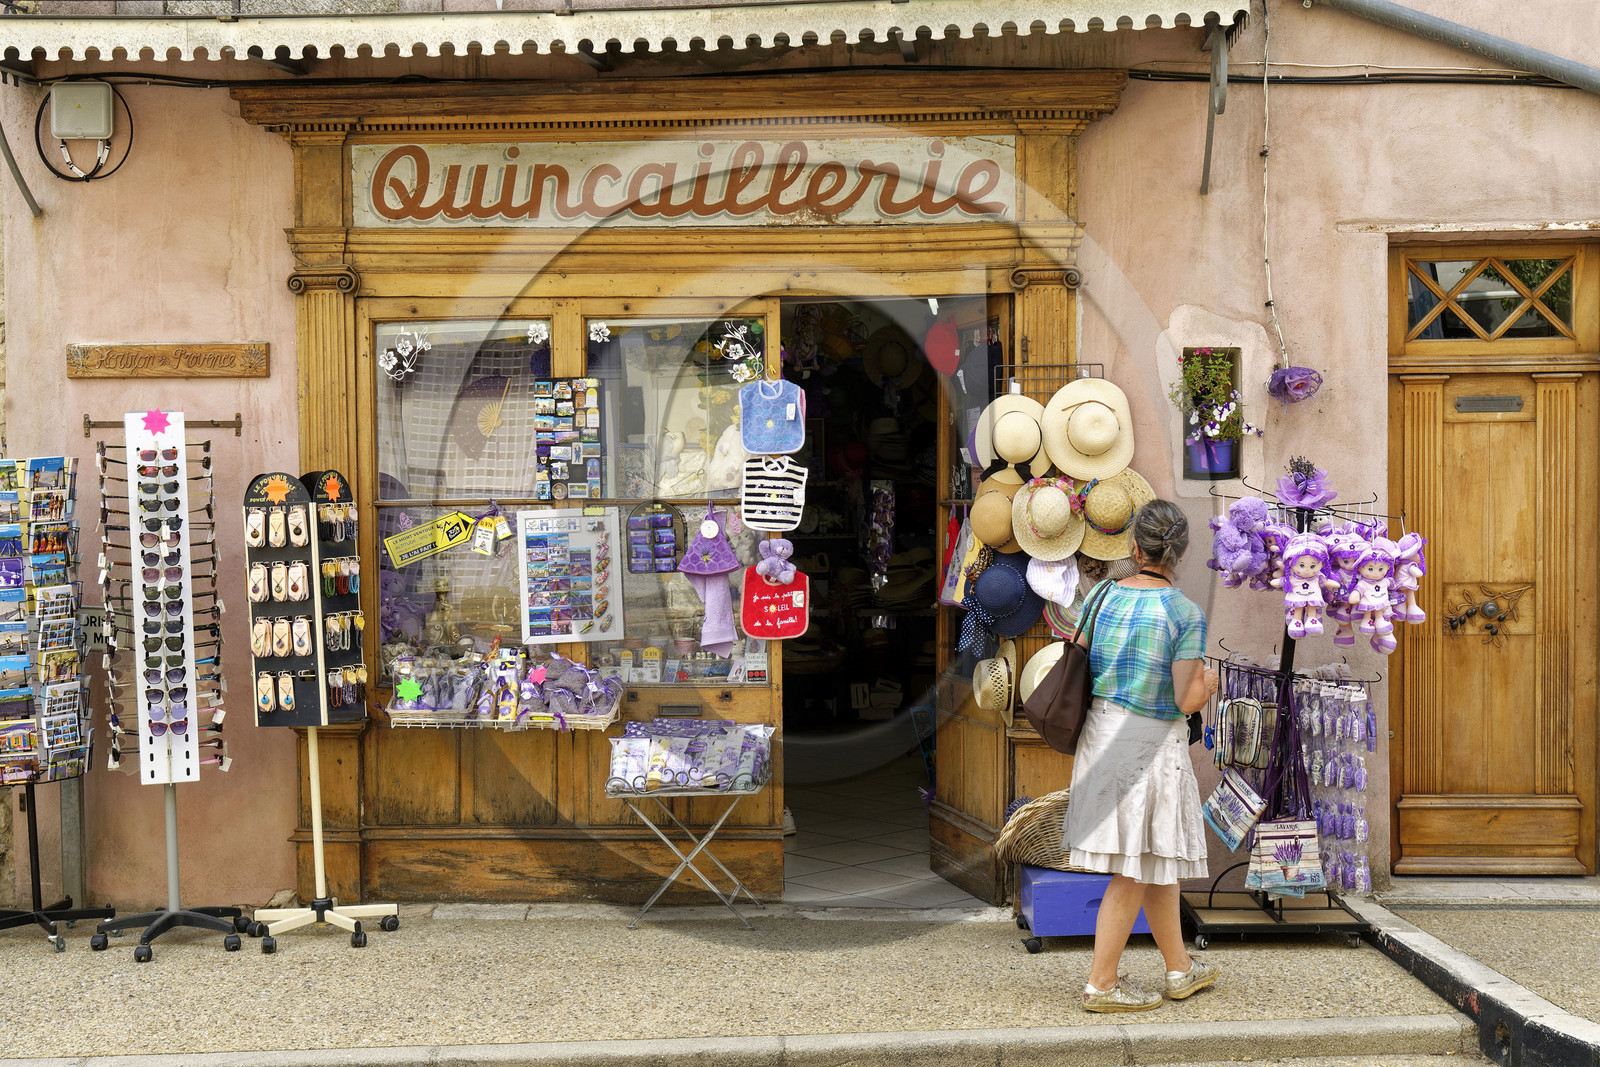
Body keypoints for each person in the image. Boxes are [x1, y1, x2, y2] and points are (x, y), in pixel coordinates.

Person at [1063, 499, 1220, 1012]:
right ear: (1180, 554)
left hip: (1102, 733)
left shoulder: (1103, 594)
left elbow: (1081, 655)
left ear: (1134, 547)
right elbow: (1185, 700)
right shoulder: (1183, 612)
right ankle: (1100, 986)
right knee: (1134, 868)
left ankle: (1179, 971)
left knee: (1155, 861)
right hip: (1150, 744)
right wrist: (1210, 683)